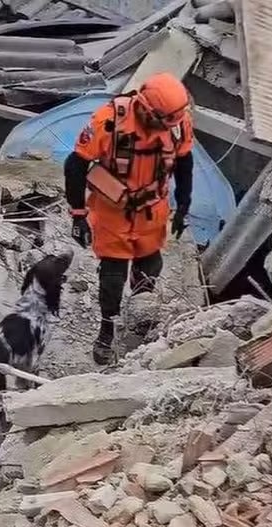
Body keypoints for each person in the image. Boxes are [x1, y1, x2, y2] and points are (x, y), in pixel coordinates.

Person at [64, 72, 195, 365]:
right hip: (113, 210)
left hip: (152, 209)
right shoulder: (108, 122)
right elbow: (76, 164)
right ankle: (107, 328)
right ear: (148, 111)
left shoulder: (178, 125)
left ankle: (141, 318)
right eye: (162, 122)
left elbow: (185, 161)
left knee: (150, 265)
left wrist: (184, 203)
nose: (166, 128)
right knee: (113, 272)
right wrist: (78, 213)